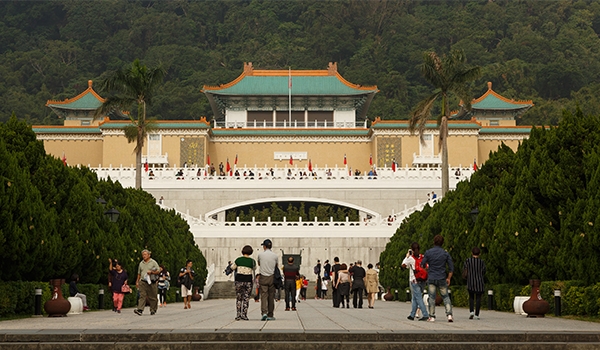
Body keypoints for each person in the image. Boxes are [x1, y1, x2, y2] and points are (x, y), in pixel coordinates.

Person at [421, 235, 454, 322]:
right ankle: (449, 314)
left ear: (434, 242)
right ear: (442, 243)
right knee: (445, 296)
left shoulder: (428, 252)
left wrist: (427, 269)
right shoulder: (445, 253)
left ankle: (432, 316)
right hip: (442, 277)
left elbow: (422, 264)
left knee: (431, 297)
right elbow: (451, 268)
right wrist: (449, 278)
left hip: (431, 277)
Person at [401, 242, 430, 321]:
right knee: (415, 297)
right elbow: (427, 267)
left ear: (412, 250)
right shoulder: (423, 257)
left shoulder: (411, 258)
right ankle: (412, 314)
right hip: (423, 280)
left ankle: (425, 314)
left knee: (418, 298)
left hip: (414, 280)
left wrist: (407, 256)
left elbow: (403, 265)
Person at [231, 245, 256, 321]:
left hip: (239, 280)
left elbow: (232, 267)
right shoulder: (252, 261)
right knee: (246, 298)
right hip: (248, 281)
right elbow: (254, 268)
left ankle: (238, 315)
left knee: (239, 298)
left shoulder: (238, 260)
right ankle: (244, 315)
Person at [134, 249, 160, 316]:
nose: (144, 256)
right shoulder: (141, 263)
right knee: (142, 296)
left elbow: (158, 271)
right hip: (143, 281)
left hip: (151, 281)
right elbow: (139, 273)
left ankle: (153, 309)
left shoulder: (153, 262)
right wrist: (137, 281)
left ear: (149, 255)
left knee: (153, 297)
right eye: (143, 255)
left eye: (145, 254)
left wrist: (152, 272)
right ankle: (140, 309)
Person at [257, 239, 278, 321]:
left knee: (263, 296)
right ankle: (270, 314)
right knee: (271, 296)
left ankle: (264, 313)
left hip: (263, 276)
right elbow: (276, 265)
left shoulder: (260, 255)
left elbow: (259, 263)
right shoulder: (275, 256)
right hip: (272, 277)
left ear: (264, 246)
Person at [464, 247, 486, 320]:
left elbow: (465, 269)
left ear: (472, 253)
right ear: (479, 254)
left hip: (471, 281)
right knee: (478, 298)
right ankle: (477, 314)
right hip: (479, 282)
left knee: (471, 297)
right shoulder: (481, 262)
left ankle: (471, 311)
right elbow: (484, 271)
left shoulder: (468, 261)